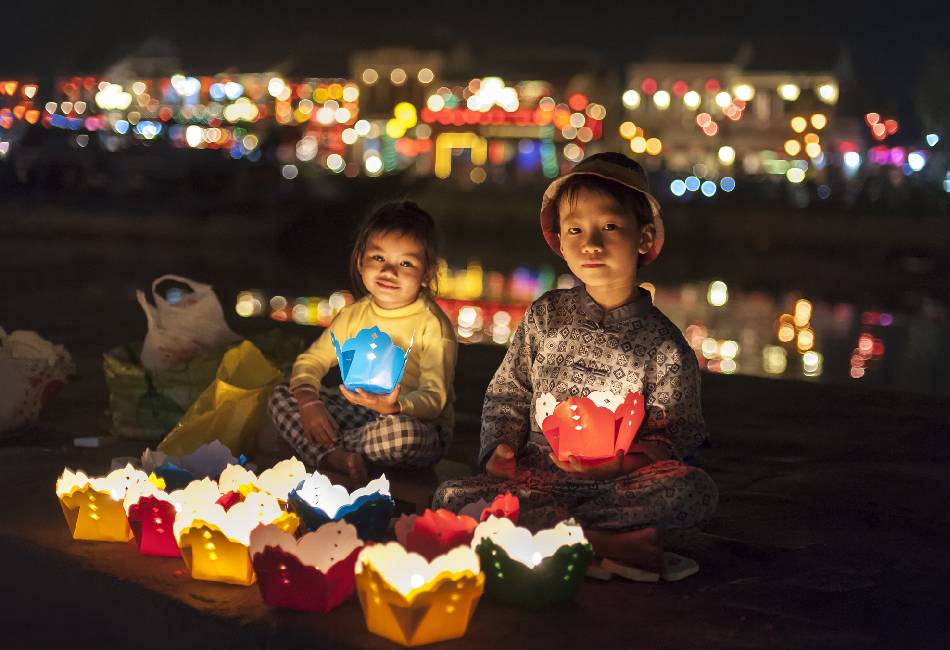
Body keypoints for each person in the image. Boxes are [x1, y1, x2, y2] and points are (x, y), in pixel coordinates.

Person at [433, 153, 718, 581]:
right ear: (560, 242)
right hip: (537, 474)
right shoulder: (545, 316)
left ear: (643, 237)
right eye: (575, 230)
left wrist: (620, 465)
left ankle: (550, 534)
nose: (592, 243)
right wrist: (500, 450)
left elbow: (673, 432)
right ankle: (606, 542)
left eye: (609, 227)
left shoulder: (665, 344)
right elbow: (508, 392)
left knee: (693, 489)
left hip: (616, 484)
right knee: (450, 494)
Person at [268, 201, 457, 485]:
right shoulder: (354, 314)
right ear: (360, 261)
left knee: (404, 436)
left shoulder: (432, 324)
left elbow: (434, 398)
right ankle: (336, 451)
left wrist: (394, 406)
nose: (389, 271)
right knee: (281, 395)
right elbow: (313, 360)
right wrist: (309, 404)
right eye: (378, 258)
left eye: (406, 263)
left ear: (427, 273)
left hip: (412, 423)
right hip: (358, 413)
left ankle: (324, 448)